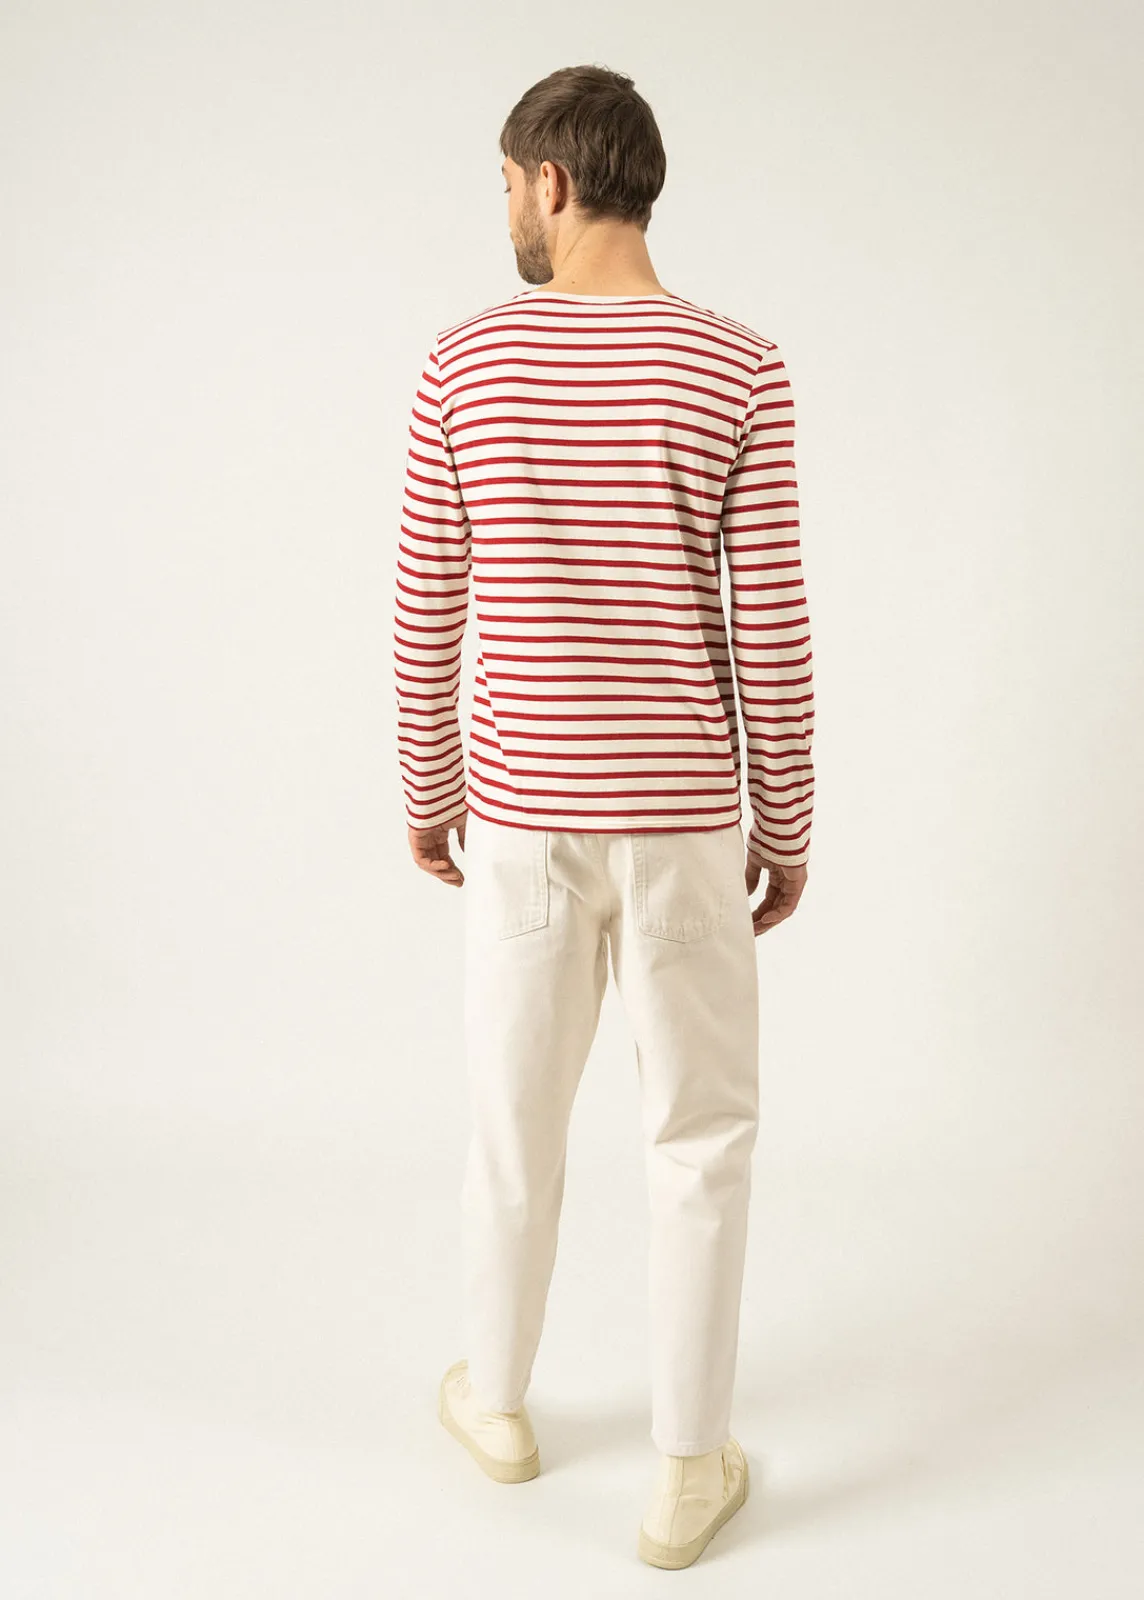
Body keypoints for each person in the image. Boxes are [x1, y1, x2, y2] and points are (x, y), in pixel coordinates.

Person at [394, 63, 815, 1570]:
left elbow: (428, 608)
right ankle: (687, 1471)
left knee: (514, 1126)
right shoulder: (740, 368)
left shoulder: (465, 364)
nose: (506, 210)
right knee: (699, 1139)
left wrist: (428, 791)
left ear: (555, 182)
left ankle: (499, 1406)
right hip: (688, 825)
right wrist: (788, 822)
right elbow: (771, 627)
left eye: (508, 184)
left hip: (522, 820)